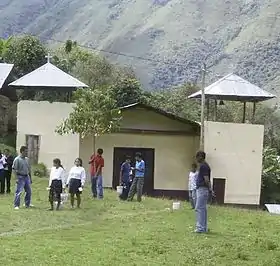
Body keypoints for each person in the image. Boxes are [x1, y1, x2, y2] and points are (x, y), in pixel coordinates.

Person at [195, 151, 211, 233]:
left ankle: (200, 228)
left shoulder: (203, 166)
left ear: (200, 157)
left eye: (197, 157)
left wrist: (210, 189)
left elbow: (206, 179)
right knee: (202, 209)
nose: (196, 159)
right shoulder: (205, 166)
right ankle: (203, 227)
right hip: (203, 189)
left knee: (199, 208)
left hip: (202, 189)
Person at [12, 146, 32, 210]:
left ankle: (27, 204)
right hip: (20, 177)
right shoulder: (17, 159)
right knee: (19, 191)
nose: (27, 152)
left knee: (28, 191)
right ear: (22, 151)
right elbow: (14, 169)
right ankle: (16, 205)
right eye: (25, 151)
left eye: (27, 151)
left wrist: (30, 178)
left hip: (26, 177)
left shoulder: (27, 159)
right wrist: (16, 178)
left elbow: (29, 169)